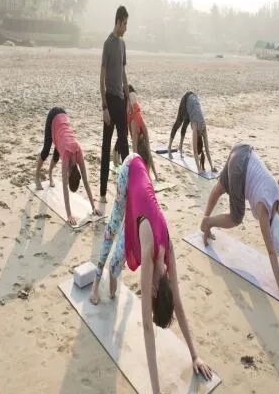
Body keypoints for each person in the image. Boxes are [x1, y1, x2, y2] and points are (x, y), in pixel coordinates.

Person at [89, 149, 212, 393]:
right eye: (153, 296)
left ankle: (110, 274)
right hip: (131, 169)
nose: (151, 292)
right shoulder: (149, 253)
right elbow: (146, 325)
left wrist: (195, 355)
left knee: (115, 275)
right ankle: (95, 281)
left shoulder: (168, 251)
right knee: (113, 226)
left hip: (142, 206)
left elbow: (178, 302)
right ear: (155, 289)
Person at [200, 143, 279, 305]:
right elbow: (271, 253)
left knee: (219, 188)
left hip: (242, 150)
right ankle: (207, 222)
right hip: (239, 168)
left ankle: (206, 217)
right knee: (236, 218)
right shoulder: (264, 211)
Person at [35, 107, 101, 225]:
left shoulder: (79, 151)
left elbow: (86, 182)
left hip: (63, 125)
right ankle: (36, 176)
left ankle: (50, 175)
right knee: (46, 151)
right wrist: (69, 215)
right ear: (69, 173)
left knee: (56, 156)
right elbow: (65, 187)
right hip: (54, 117)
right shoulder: (66, 157)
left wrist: (93, 207)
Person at [100, 5, 130, 201]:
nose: (126, 27)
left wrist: (128, 98)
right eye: (125, 24)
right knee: (105, 145)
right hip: (109, 101)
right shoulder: (108, 44)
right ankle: (102, 193)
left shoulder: (122, 44)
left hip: (120, 100)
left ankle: (128, 189)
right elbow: (101, 78)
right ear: (118, 22)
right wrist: (104, 107)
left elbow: (124, 73)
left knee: (125, 145)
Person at [112, 85, 160, 181]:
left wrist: (156, 175)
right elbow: (134, 154)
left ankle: (115, 154)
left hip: (131, 100)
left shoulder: (144, 131)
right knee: (123, 134)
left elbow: (149, 154)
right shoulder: (136, 131)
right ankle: (114, 153)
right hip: (126, 99)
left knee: (123, 134)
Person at [167, 91, 216, 174]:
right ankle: (169, 147)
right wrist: (199, 169)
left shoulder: (204, 128)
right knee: (178, 123)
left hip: (193, 104)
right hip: (187, 98)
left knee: (185, 124)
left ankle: (180, 147)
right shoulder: (195, 126)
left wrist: (212, 167)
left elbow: (207, 149)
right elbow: (195, 150)